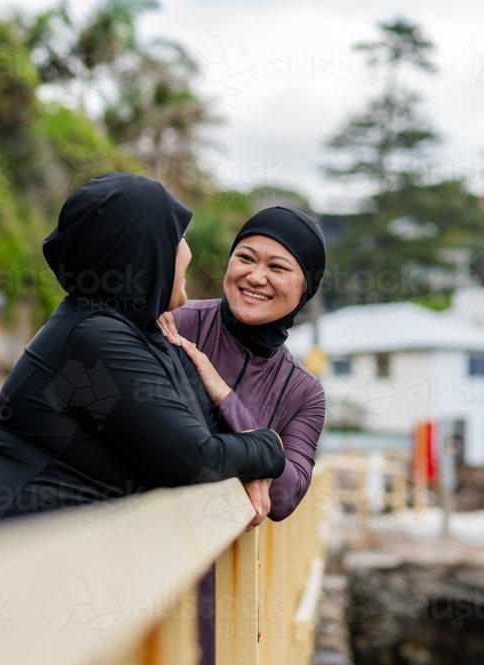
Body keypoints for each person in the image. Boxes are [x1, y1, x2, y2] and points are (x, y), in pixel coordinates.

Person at [0, 173, 285, 536]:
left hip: (38, 558)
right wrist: (271, 445)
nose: (190, 254)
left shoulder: (143, 331)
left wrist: (247, 460)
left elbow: (209, 435)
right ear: (148, 249)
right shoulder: (93, 337)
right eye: (182, 239)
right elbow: (197, 461)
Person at [157, 206, 327, 665]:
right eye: (245, 258)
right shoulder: (178, 322)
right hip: (143, 554)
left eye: (277, 267)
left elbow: (288, 494)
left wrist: (220, 391)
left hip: (224, 586)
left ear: (305, 287)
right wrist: (257, 458)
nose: (255, 276)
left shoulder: (303, 390)